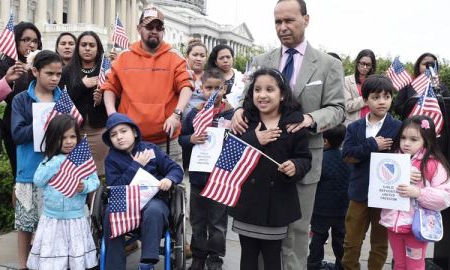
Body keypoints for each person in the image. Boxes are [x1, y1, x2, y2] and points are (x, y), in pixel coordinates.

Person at [231, 1, 345, 268]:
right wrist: (237, 110)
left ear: (306, 19)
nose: (282, 28)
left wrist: (310, 119)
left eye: (289, 21)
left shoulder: (328, 65)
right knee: (258, 236)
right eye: (277, 22)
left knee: (295, 235)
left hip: (302, 163)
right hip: (259, 165)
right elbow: (248, 99)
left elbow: (338, 109)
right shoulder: (261, 61)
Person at [229, 68, 312, 270]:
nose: (263, 95)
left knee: (272, 257)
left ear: (282, 94)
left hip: (277, 205)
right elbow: (231, 153)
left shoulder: (294, 122)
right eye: (257, 89)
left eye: (269, 89)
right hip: (248, 203)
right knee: (248, 257)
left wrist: (296, 166)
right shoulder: (244, 119)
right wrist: (254, 139)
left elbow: (304, 158)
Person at [101, 5, 193, 164]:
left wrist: (176, 114)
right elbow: (109, 87)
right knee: (131, 187)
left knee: (173, 186)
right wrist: (112, 115)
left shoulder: (174, 56)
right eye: (149, 26)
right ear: (139, 28)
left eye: (159, 27)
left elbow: (186, 85)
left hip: (166, 141)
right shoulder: (124, 56)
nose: (154, 31)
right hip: (130, 142)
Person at [102, 113, 184, 270]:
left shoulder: (150, 149)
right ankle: (114, 266)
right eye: (114, 135)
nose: (119, 137)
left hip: (154, 200)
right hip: (125, 202)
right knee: (109, 213)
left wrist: (169, 179)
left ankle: (147, 261)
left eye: (123, 131)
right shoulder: (112, 159)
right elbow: (116, 187)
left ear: (134, 132)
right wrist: (135, 166)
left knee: (154, 209)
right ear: (110, 140)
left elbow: (175, 169)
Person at [341, 75, 402, 270]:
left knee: (380, 244)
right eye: (376, 97)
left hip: (386, 195)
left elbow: (404, 157)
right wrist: (372, 145)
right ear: (365, 99)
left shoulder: (398, 127)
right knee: (351, 242)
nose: (382, 101)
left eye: (386, 96)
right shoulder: (354, 127)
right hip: (359, 192)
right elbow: (348, 156)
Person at [10, 50, 63, 269]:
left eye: (58, 74)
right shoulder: (21, 99)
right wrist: (43, 121)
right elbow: (17, 134)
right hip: (29, 170)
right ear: (35, 71)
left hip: (57, 172)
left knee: (52, 223)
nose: (54, 78)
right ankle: (23, 264)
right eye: (49, 73)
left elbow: (73, 132)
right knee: (25, 223)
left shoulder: (63, 99)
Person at [27, 114, 99, 270]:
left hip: (75, 218)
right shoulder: (49, 161)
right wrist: (56, 162)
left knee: (75, 258)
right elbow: (38, 180)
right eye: (63, 137)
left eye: (73, 136)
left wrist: (84, 186)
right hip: (52, 219)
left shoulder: (82, 159)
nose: (68, 141)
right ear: (54, 138)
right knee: (53, 260)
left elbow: (95, 181)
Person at [379, 115, 450, 270]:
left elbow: (445, 198)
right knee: (398, 264)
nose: (406, 143)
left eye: (414, 139)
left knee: (415, 266)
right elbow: (380, 184)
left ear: (426, 140)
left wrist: (418, 192)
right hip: (394, 225)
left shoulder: (433, 164)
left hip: (417, 227)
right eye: (403, 137)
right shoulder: (391, 161)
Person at [179, 67, 234, 270]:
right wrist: (191, 138)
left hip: (220, 177)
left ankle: (215, 259)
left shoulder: (231, 113)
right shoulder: (195, 112)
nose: (212, 92)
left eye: (217, 88)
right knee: (198, 220)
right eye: (208, 88)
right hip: (199, 176)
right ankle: (199, 256)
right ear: (201, 88)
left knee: (218, 223)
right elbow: (182, 138)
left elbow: (238, 141)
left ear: (225, 88)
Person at [0, 21, 42, 177]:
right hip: (16, 125)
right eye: (26, 40)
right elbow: (9, 98)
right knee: (20, 176)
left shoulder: (42, 64)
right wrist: (16, 77)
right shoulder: (2, 66)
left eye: (34, 41)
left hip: (42, 122)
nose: (31, 44)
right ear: (16, 41)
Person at [59, 31, 108, 176]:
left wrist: (101, 100)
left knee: (97, 174)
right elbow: (62, 101)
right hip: (74, 132)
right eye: (84, 45)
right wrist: (81, 85)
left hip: (99, 130)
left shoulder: (106, 70)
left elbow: (116, 101)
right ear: (78, 48)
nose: (87, 48)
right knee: (76, 174)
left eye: (92, 45)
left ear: (98, 48)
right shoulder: (66, 71)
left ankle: (95, 200)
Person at [307, 124, 350, 270]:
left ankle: (314, 264)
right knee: (340, 239)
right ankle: (341, 265)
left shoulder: (320, 159)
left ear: (325, 141)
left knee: (318, 237)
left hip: (320, 209)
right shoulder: (348, 158)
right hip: (342, 209)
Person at [393, 52, 450, 119]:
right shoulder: (408, 85)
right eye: (425, 64)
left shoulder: (441, 87)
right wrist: (416, 109)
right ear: (418, 66)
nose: (429, 67)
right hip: (412, 123)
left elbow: (448, 107)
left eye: (432, 64)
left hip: (436, 123)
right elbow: (397, 107)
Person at [344, 49, 377, 125]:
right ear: (357, 63)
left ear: (372, 66)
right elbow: (348, 105)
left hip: (372, 122)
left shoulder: (375, 81)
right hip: (353, 123)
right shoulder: (347, 81)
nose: (365, 67)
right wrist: (367, 98)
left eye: (368, 64)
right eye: (362, 63)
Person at [183, 38, 208, 121]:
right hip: (182, 124)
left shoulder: (211, 77)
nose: (198, 59)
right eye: (195, 55)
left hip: (205, 122)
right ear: (187, 57)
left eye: (202, 56)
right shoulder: (179, 75)